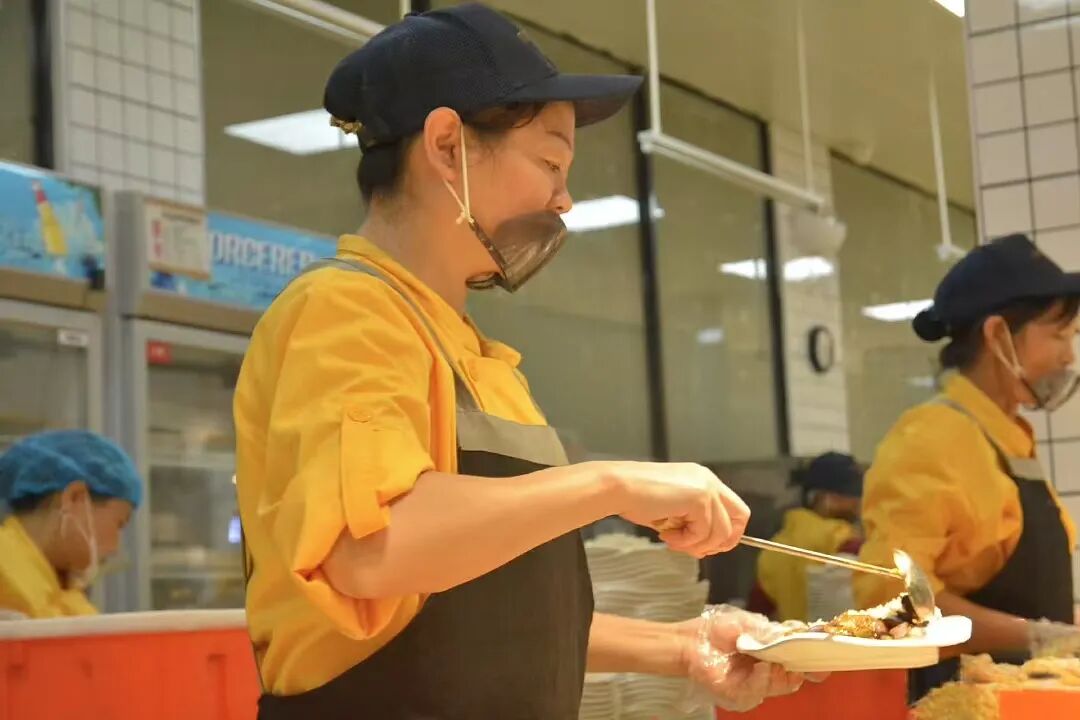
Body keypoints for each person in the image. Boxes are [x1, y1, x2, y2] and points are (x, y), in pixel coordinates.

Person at [234, 4, 816, 717]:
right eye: (550, 164)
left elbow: (487, 617)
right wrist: (612, 483)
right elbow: (370, 550)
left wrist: (683, 646)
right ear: (447, 146)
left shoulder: (478, 358)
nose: (563, 200)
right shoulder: (343, 309)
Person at [855, 234, 1080, 700]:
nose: (1069, 356)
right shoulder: (931, 437)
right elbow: (892, 604)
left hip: (1032, 696)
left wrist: (1062, 629)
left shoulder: (1005, 435)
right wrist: (1034, 635)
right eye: (1059, 336)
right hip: (962, 700)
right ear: (998, 335)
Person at [0, 430, 142, 618]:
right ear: (74, 497)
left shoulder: (52, 586)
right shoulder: (9, 578)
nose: (115, 548)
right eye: (119, 523)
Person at [749, 452, 863, 621]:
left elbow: (757, 611)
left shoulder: (773, 549)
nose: (858, 504)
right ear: (826, 499)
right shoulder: (841, 538)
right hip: (840, 636)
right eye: (852, 497)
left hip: (794, 637)